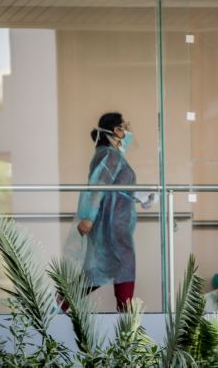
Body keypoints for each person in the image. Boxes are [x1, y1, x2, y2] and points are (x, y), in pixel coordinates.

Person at [76, 112, 137, 312]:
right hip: (110, 224)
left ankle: (126, 314)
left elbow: (118, 188)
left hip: (117, 222)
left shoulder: (112, 155)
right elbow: (98, 185)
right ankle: (126, 316)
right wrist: (88, 217)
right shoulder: (109, 155)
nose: (129, 130)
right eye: (125, 126)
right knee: (110, 267)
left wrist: (141, 196)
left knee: (110, 267)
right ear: (116, 131)